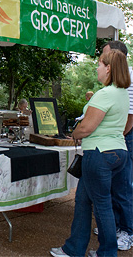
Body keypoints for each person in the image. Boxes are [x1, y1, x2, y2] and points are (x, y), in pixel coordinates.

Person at [50, 49, 131, 257]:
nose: (97, 68)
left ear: (109, 68)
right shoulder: (122, 93)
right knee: (84, 200)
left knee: (102, 206)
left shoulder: (105, 94)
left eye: (100, 64)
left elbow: (86, 128)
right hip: (117, 151)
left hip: (99, 153)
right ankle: (74, 248)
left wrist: (75, 132)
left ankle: (107, 253)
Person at [94, 40, 133, 251]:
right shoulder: (114, 81)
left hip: (125, 137)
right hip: (118, 137)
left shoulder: (129, 78)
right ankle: (114, 226)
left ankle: (127, 231)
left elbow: (129, 117)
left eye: (104, 56)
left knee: (124, 186)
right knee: (114, 185)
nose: (101, 60)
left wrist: (117, 135)